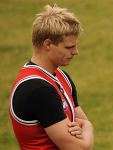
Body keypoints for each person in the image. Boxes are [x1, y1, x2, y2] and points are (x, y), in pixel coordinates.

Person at [9, 4, 94, 149]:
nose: (75, 52)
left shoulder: (61, 76)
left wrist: (85, 126)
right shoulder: (37, 90)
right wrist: (88, 127)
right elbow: (80, 148)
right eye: (69, 47)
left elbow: (81, 123)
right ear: (47, 44)